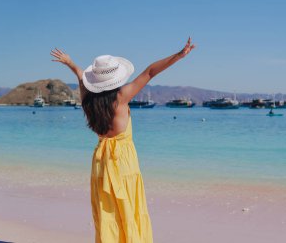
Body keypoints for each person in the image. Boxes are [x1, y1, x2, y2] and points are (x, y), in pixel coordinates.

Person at [50, 38, 195, 243]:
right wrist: (179, 55)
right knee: (129, 210)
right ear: (116, 78)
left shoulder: (87, 99)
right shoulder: (122, 96)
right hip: (123, 162)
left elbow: (81, 78)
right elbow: (150, 71)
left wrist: (71, 63)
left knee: (107, 212)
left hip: (101, 163)